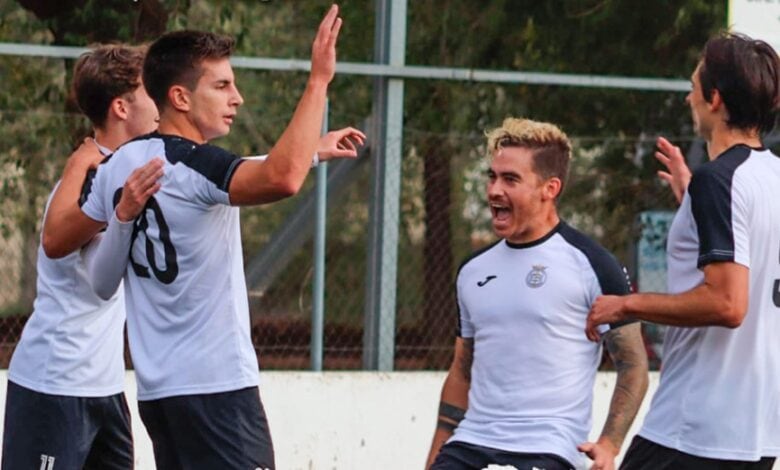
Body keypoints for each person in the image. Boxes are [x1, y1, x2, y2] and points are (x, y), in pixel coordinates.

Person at [40, 5, 362, 469]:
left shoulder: (121, 166)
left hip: (161, 397)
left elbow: (84, 261)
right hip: (218, 393)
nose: (238, 98)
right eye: (222, 85)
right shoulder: (196, 167)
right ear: (181, 98)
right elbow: (279, 178)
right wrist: (318, 81)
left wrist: (309, 150)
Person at [586, 33, 780, 470]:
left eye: (693, 86)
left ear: (714, 99)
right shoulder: (768, 178)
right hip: (757, 432)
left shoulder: (719, 183)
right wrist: (693, 200)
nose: (688, 96)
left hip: (696, 427)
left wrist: (626, 304)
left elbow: (728, 303)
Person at [426, 118, 649, 470]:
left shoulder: (594, 265)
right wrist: (436, 456)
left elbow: (633, 364)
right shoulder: (472, 271)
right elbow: (461, 372)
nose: (495, 190)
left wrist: (609, 444)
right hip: (471, 442)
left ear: (550, 188)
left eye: (510, 179)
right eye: (492, 176)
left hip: (549, 449)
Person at [2, 44, 161, 470]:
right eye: (150, 91)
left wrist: (306, 155)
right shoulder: (90, 178)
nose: (161, 100)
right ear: (121, 107)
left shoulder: (130, 171)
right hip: (54, 387)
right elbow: (56, 239)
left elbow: (217, 173)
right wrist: (78, 165)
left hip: (106, 390)